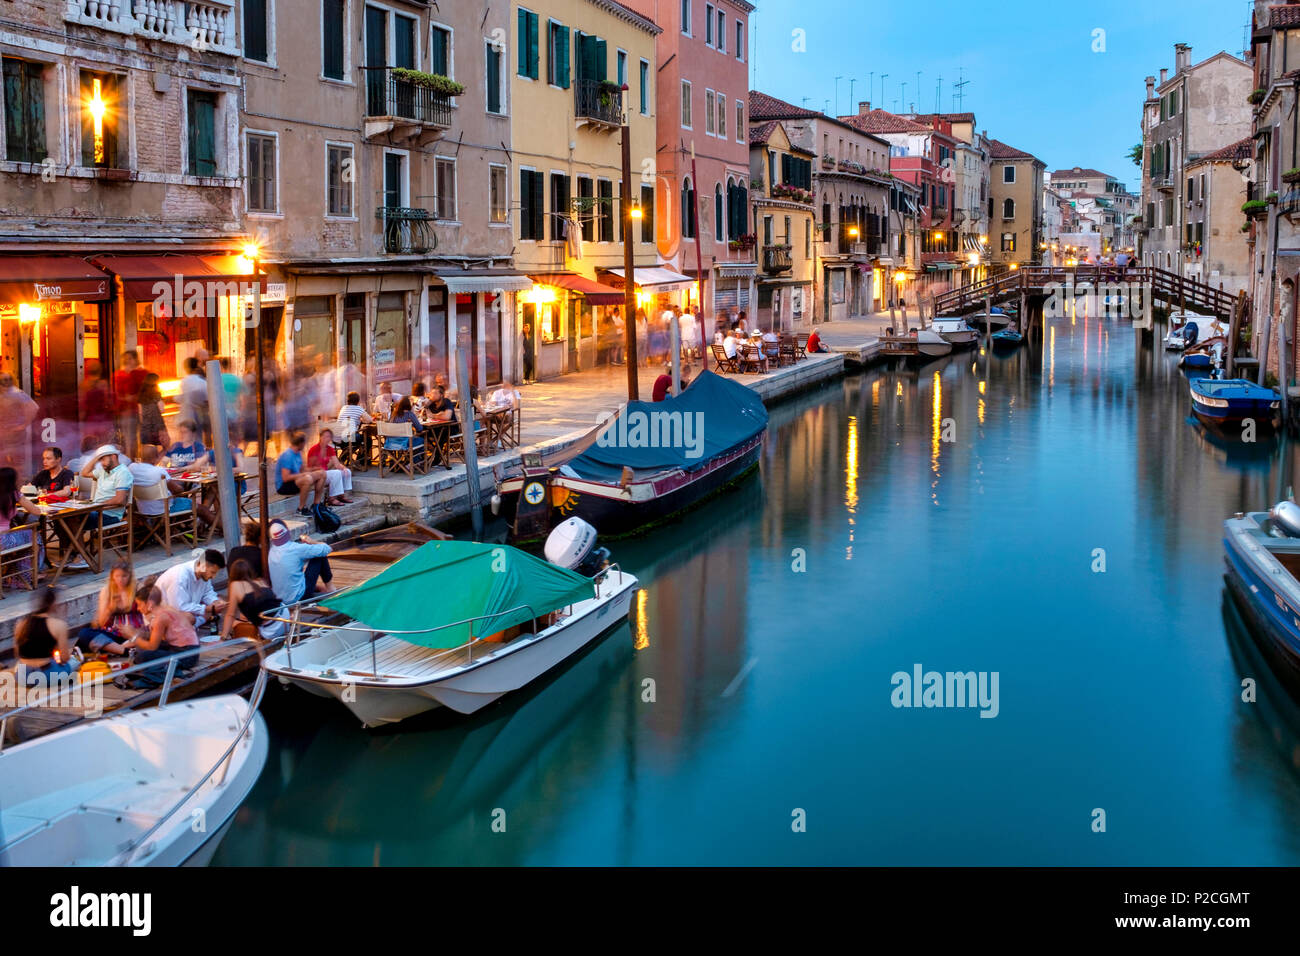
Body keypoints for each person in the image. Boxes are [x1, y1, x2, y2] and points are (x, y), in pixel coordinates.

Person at [124, 585, 200, 685]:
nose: (138, 608)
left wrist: (133, 636)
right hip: (184, 649)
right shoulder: (167, 609)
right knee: (141, 649)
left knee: (143, 656)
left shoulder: (161, 617)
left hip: (187, 655)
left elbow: (152, 646)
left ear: (149, 603)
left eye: (139, 604)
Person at [76, 561, 145, 656]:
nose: (120, 580)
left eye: (124, 576)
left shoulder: (138, 588)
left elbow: (148, 613)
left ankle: (113, 649)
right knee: (84, 634)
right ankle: (124, 650)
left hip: (134, 633)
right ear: (112, 576)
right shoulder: (107, 591)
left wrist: (137, 631)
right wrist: (110, 608)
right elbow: (100, 622)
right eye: (117, 576)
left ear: (130, 576)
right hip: (113, 634)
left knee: (86, 644)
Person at [14, 588, 72, 685]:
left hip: (22, 676)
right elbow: (64, 658)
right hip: (46, 675)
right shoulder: (59, 624)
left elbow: (17, 654)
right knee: (72, 664)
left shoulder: (21, 624)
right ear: (53, 604)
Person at [268, 519, 333, 606]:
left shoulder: (271, 551)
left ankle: (319, 588)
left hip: (281, 599)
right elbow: (327, 549)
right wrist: (312, 542)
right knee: (319, 556)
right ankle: (331, 588)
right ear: (287, 533)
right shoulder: (296, 548)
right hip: (298, 597)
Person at [155, 548, 226, 627]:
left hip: (186, 609)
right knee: (189, 618)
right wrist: (206, 609)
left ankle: (197, 621)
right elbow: (179, 607)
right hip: (164, 615)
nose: (213, 577)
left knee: (220, 600)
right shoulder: (180, 576)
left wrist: (215, 602)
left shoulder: (203, 574)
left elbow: (207, 592)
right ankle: (198, 622)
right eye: (212, 572)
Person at [220, 558, 284, 640]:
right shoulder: (260, 581)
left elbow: (230, 615)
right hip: (284, 618)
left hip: (271, 629)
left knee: (236, 623)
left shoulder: (235, 585)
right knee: (243, 618)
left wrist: (222, 638)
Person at [0, 466, 41, 583]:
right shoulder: (14, 494)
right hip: (4, 541)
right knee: (36, 538)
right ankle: (26, 576)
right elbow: (36, 511)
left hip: (3, 541)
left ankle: (13, 573)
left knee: (24, 536)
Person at [275, 431, 327, 516]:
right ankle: (301, 509)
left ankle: (316, 504)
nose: (305, 445)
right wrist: (303, 475)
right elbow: (285, 478)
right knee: (307, 479)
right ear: (300, 443)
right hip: (284, 486)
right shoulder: (287, 456)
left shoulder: (298, 453)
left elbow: (303, 470)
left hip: (296, 480)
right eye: (304, 443)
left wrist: (314, 469)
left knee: (322, 473)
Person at [113, 349, 147, 459]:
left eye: (130, 359)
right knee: (126, 437)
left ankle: (136, 459)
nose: (127, 361)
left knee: (136, 438)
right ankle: (129, 459)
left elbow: (143, 392)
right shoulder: (119, 374)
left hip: (136, 410)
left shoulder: (141, 373)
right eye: (126, 359)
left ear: (135, 359)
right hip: (124, 411)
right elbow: (117, 393)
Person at [0, 371, 37, 473]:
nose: (6, 382)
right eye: (4, 380)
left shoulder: (17, 393)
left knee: (17, 463)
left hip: (14, 434)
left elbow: (33, 407)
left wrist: (23, 425)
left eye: (9, 379)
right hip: (4, 434)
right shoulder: (3, 394)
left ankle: (19, 486)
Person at [307, 428, 353, 505]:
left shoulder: (330, 449)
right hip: (317, 475)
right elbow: (309, 468)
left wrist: (344, 468)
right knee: (336, 473)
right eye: (325, 437)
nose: (327, 439)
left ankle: (341, 496)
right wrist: (318, 469)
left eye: (329, 437)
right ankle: (332, 498)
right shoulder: (314, 449)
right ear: (320, 437)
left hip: (326, 473)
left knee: (347, 471)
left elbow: (337, 464)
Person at [178, 356, 209, 443]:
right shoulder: (202, 381)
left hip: (186, 413)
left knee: (186, 437)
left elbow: (180, 397)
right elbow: (206, 399)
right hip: (199, 413)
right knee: (198, 437)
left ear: (186, 368)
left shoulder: (184, 381)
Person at [137, 372, 168, 449]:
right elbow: (162, 410)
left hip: (145, 426)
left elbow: (140, 413)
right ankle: (158, 460)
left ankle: (151, 461)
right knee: (166, 447)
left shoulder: (140, 396)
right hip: (157, 425)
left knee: (148, 450)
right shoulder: (156, 395)